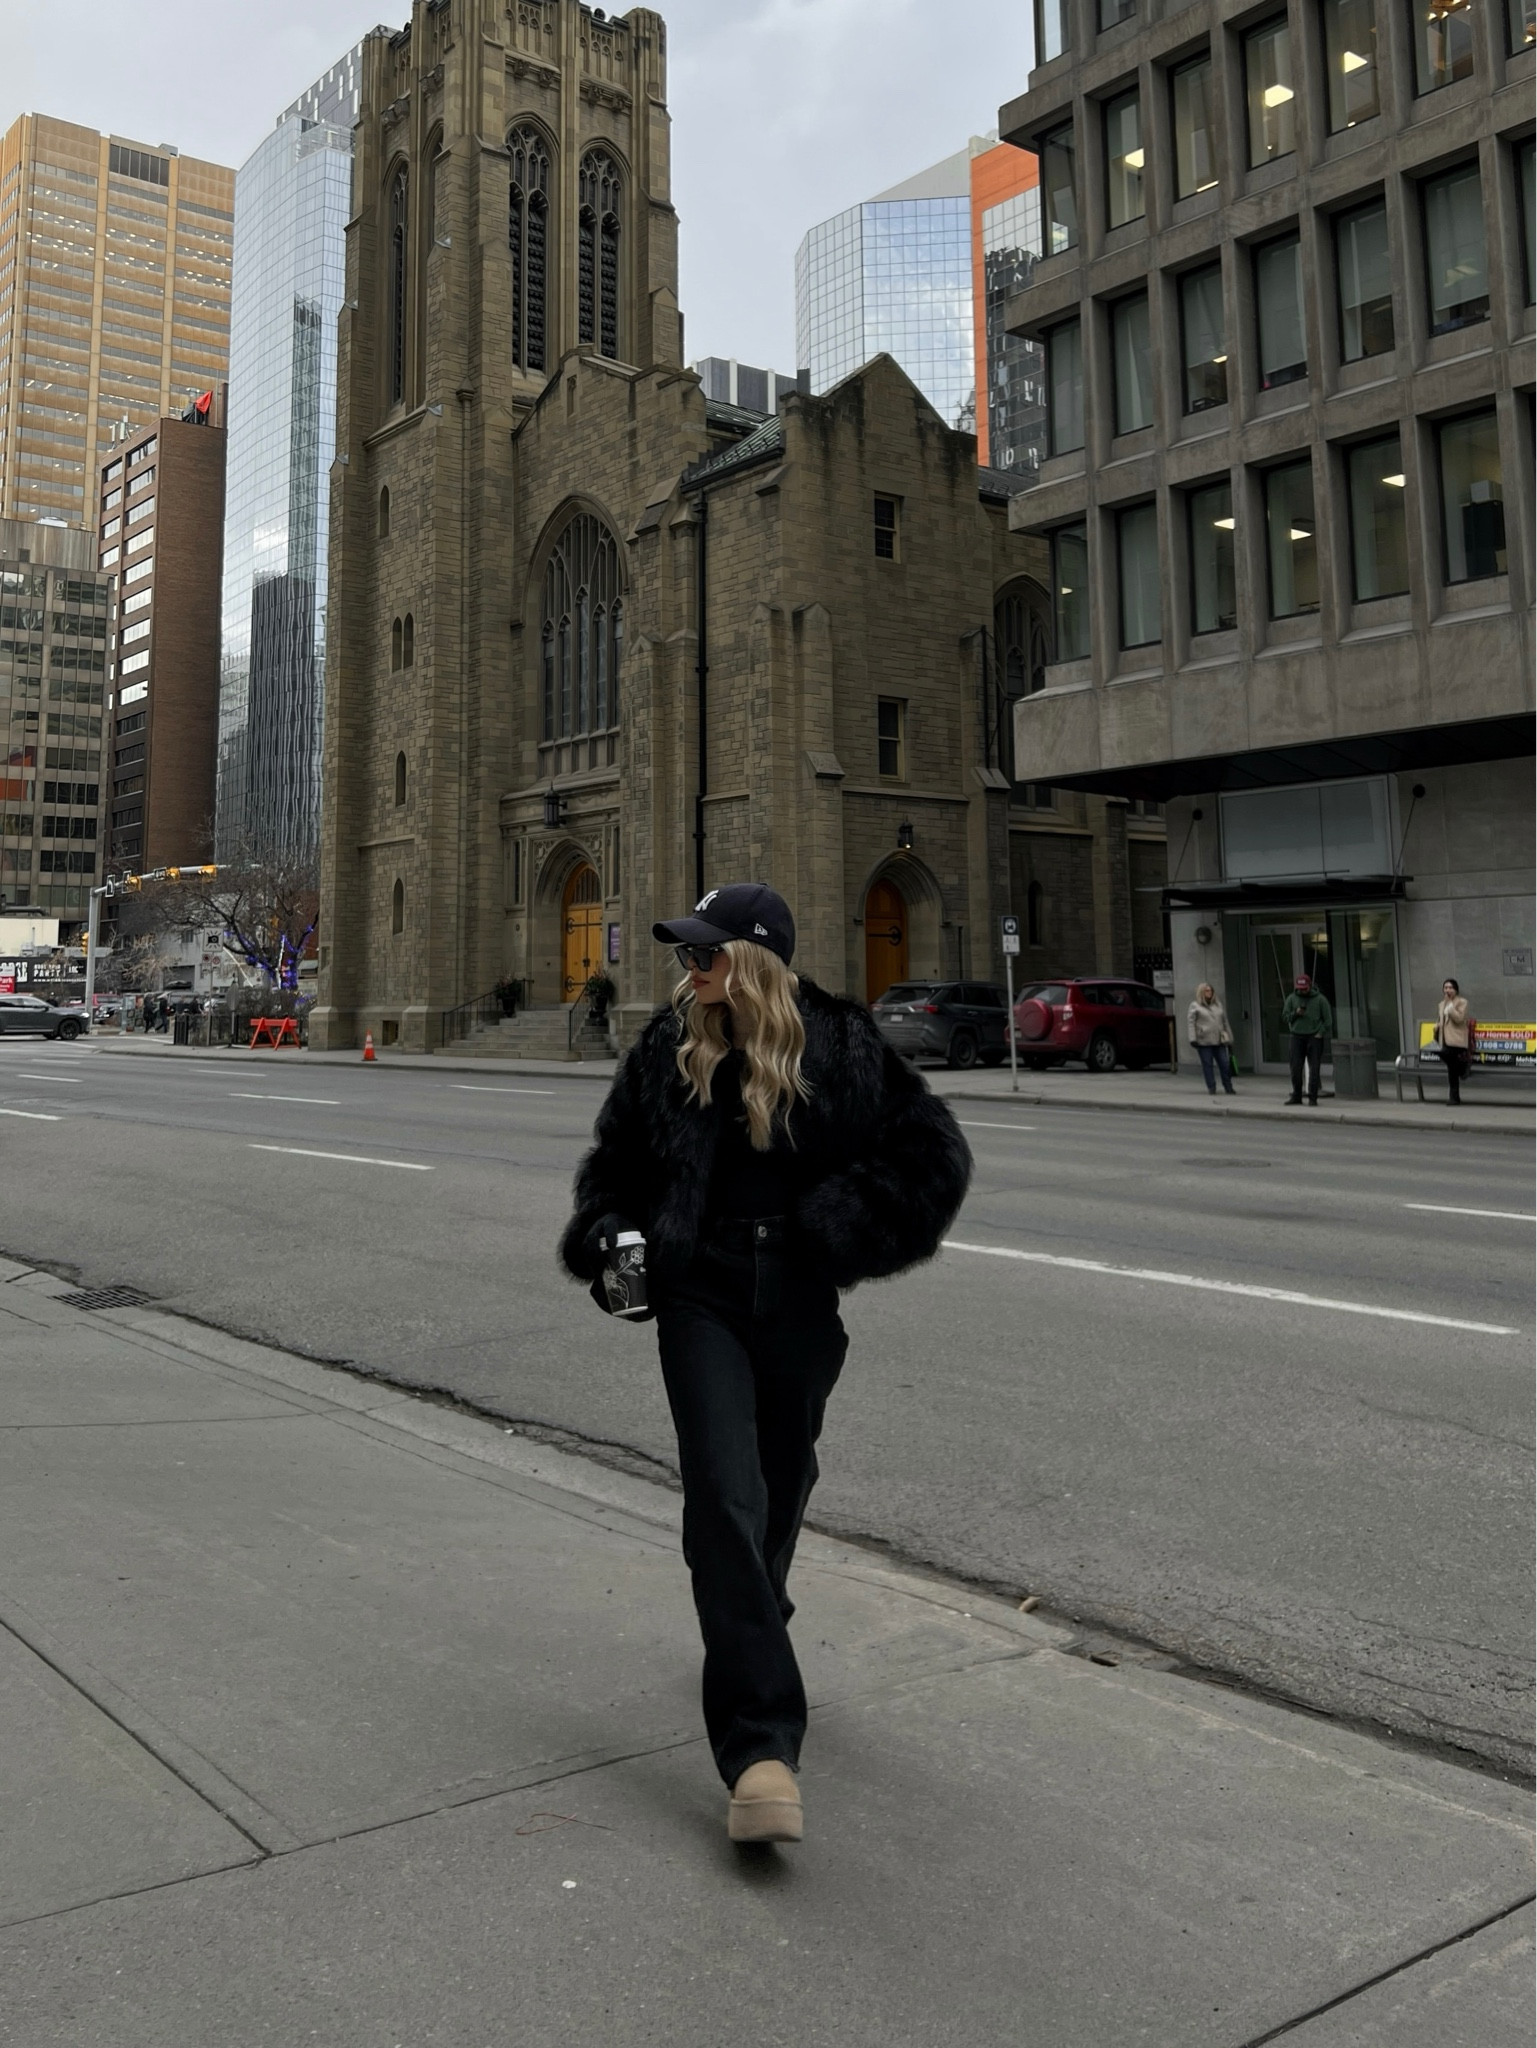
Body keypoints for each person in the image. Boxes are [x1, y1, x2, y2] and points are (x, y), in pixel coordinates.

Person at [560, 882, 971, 1847]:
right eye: (684, 955)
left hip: (795, 1295)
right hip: (697, 1291)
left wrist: (842, 1231)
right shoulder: (668, 1050)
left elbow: (932, 1158)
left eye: (705, 954)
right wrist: (613, 1235)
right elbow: (611, 1172)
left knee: (776, 1491)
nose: (688, 970)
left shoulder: (838, 1047)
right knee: (722, 1499)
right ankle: (759, 1751)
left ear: (754, 960)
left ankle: (753, 1615)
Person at [1281, 973, 1333, 1106]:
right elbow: (1285, 1017)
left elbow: (1328, 1020)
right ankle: (1296, 1095)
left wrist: (1320, 1032)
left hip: (1314, 1036)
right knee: (1295, 1068)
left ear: (1310, 986)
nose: (1302, 991)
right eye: (1299, 988)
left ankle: (1313, 1097)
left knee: (1314, 1068)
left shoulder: (1320, 1000)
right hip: (1296, 1036)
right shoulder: (1292, 998)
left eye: (1304, 988)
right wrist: (1295, 1013)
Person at [1187, 983, 1237, 1096]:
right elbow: (1191, 1023)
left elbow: (1225, 1021)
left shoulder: (1218, 1005)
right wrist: (1192, 1038)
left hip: (1219, 1040)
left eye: (1211, 991)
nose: (1209, 993)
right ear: (1201, 992)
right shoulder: (1195, 1006)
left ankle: (1228, 1086)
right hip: (1204, 1040)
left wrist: (1229, 1037)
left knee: (1224, 1064)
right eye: (1206, 991)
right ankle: (1211, 1087)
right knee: (1208, 1065)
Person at [1436, 978, 1472, 1105]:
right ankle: (1462, 1069)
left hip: (1457, 1041)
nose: (1448, 990)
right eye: (1445, 988)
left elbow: (1459, 1019)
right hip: (1445, 1040)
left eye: (1450, 988)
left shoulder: (1462, 1002)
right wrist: (1437, 1026)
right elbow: (1441, 1020)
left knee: (1449, 1062)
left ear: (1455, 990)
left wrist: (1450, 1006)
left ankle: (1454, 1097)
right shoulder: (1441, 1004)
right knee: (1452, 1068)